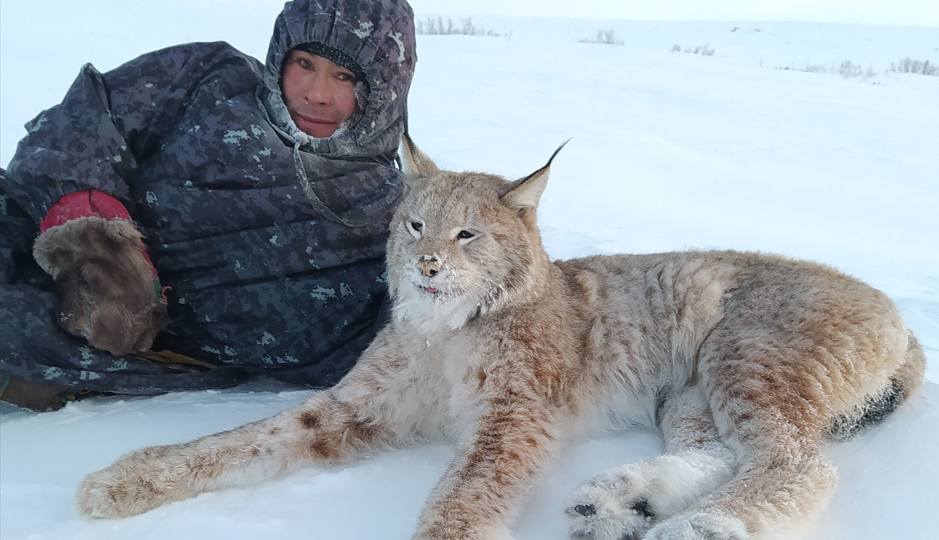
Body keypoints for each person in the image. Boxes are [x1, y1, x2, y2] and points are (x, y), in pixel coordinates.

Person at [0, 0, 417, 411]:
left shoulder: (392, 219)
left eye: (344, 76)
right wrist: (91, 237)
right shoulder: (211, 78)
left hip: (82, 345)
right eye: (304, 63)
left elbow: (419, 338)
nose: (316, 94)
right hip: (25, 226)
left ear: (385, 89)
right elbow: (88, 119)